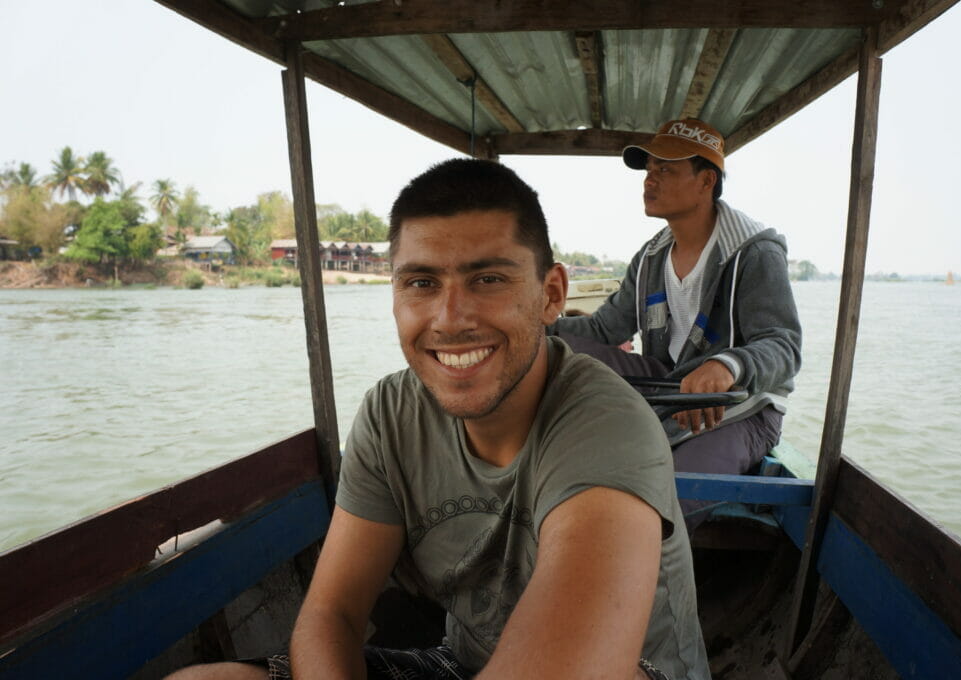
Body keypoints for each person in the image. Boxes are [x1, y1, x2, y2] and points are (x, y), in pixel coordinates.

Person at [167, 159, 710, 680]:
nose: (450, 320)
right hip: (463, 663)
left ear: (551, 296)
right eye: (422, 284)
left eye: (488, 280)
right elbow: (332, 614)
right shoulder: (390, 415)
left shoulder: (607, 425)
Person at [550, 118, 802, 530]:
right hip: (670, 388)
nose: (650, 181)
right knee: (557, 349)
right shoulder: (650, 258)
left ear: (706, 181)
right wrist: (537, 326)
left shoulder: (754, 251)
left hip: (741, 410)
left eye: (665, 170)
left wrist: (728, 366)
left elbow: (784, 345)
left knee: (671, 495)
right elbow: (603, 332)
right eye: (649, 171)